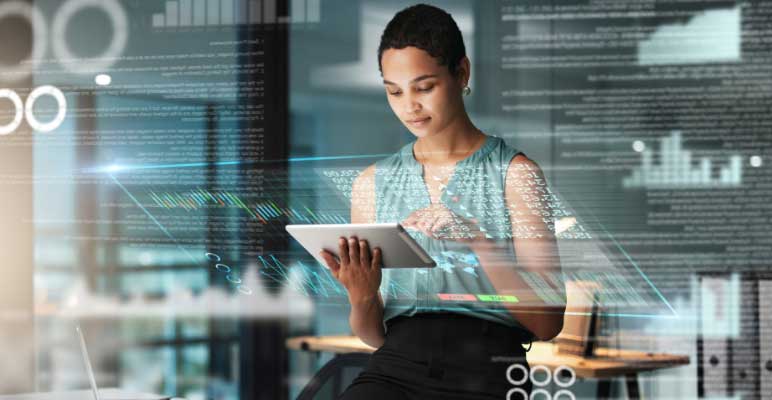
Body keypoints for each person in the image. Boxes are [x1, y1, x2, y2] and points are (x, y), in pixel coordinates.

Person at [318, 4, 566, 399]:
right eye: (394, 91)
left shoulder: (516, 175)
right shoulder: (371, 184)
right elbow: (373, 337)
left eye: (424, 87)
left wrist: (480, 243)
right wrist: (361, 294)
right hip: (395, 367)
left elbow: (548, 323)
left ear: (461, 73)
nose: (409, 106)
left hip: (486, 369)